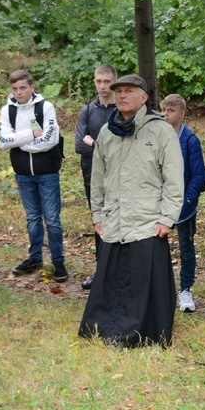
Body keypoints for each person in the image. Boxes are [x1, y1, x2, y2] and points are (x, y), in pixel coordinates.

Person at [78, 75, 184, 347]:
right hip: (114, 221)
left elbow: (174, 180)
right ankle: (105, 329)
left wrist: (167, 218)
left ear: (143, 97)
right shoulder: (106, 132)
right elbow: (98, 178)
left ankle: (143, 333)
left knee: (143, 282)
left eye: (129, 91)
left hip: (147, 222)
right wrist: (98, 215)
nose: (122, 95)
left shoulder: (160, 131)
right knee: (110, 279)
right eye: (119, 91)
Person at [0, 69, 67, 282]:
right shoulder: (7, 111)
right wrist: (30, 135)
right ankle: (34, 258)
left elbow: (50, 140)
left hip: (47, 173)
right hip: (23, 174)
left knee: (52, 219)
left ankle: (58, 262)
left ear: (32, 87)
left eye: (23, 88)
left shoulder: (45, 107)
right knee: (33, 218)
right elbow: (3, 141)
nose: (19, 92)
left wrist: (19, 141)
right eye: (15, 89)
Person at [161, 94, 205, 313]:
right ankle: (161, 290)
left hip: (185, 206)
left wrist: (186, 201)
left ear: (182, 113)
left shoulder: (190, 140)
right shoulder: (157, 137)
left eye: (171, 110)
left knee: (186, 247)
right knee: (159, 247)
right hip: (160, 204)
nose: (166, 114)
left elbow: (199, 176)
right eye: (163, 110)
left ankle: (185, 289)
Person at [75, 64, 117, 290]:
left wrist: (95, 142)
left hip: (117, 179)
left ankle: (117, 273)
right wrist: (102, 147)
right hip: (92, 177)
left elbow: (121, 151)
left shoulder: (120, 111)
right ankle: (101, 273)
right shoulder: (87, 111)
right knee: (99, 224)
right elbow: (79, 145)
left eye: (107, 81)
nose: (102, 86)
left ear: (114, 81)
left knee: (118, 223)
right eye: (99, 81)